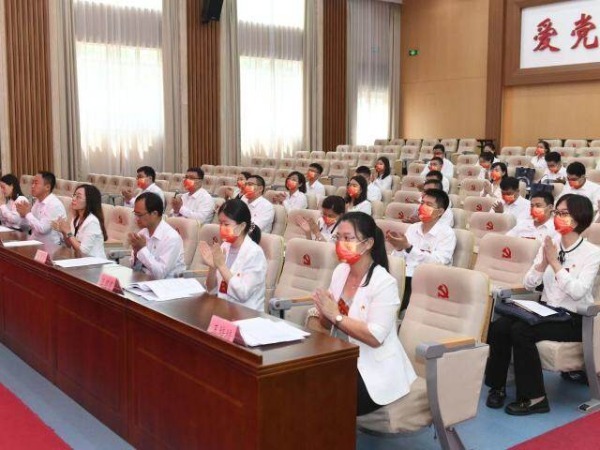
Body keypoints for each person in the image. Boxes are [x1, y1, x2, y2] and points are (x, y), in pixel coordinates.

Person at [485, 194, 600, 415]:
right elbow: (529, 283)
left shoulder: (592, 253)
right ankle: (497, 387)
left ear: (580, 217)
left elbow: (578, 292)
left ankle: (535, 398)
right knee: (500, 325)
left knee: (521, 330)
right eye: (557, 212)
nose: (557, 217)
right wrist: (542, 263)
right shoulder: (549, 244)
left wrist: (555, 263)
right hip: (545, 311)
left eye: (564, 213)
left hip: (574, 319)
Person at [312, 212, 416, 416]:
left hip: (372, 368)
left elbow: (375, 337)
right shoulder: (341, 271)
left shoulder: (384, 282)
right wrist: (324, 311)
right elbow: (329, 324)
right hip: (340, 355)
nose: (341, 243)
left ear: (368, 243)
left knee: (323, 394)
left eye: (348, 238)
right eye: (338, 237)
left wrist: (336, 316)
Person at [386, 188, 456, 311]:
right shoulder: (413, 228)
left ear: (440, 212)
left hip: (426, 280)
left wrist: (409, 248)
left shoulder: (447, 233)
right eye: (422, 203)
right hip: (403, 275)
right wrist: (399, 248)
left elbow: (440, 262)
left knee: (391, 303)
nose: (423, 207)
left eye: (429, 204)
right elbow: (400, 259)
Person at [199, 199, 267, 312]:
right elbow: (211, 289)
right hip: (222, 309)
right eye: (220, 223)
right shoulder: (225, 246)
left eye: (226, 224)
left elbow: (243, 294)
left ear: (242, 226)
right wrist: (212, 267)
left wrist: (221, 266)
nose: (221, 228)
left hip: (246, 314)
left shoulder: (255, 253)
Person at [129, 192, 186, 279]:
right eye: (135, 214)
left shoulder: (172, 238)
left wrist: (142, 249)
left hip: (167, 284)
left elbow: (160, 275)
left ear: (154, 214)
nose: (136, 218)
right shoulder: (142, 233)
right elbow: (135, 269)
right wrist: (136, 253)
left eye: (139, 215)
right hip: (144, 281)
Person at [54, 184, 107, 258]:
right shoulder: (76, 219)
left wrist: (68, 232)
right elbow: (70, 245)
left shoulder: (92, 222)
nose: (73, 199)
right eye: (74, 195)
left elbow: (83, 251)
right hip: (80, 260)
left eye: (78, 197)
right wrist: (64, 231)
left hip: (95, 262)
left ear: (89, 201)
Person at [16, 171, 66, 246]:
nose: (32, 186)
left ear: (47, 187)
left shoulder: (54, 205)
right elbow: (27, 227)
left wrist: (27, 214)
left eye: (36, 183)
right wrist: (22, 216)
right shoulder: (38, 202)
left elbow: (43, 229)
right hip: (35, 243)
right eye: (32, 183)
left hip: (51, 247)